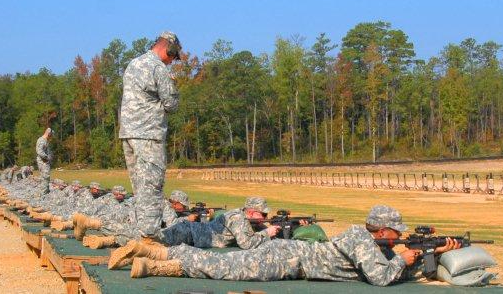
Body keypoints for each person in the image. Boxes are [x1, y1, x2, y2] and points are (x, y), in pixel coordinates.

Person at [115, 205, 462, 286]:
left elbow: (385, 266)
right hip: (288, 259)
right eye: (394, 233)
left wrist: (425, 254)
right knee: (223, 267)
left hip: (289, 256)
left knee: (221, 263)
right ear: (383, 229)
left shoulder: (373, 243)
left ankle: (154, 258)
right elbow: (379, 277)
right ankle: (157, 253)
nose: (396, 238)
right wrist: (406, 257)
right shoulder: (360, 238)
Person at [119, 31, 181, 241]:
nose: (172, 62)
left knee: (140, 190)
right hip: (149, 135)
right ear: (169, 49)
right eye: (173, 56)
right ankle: (149, 240)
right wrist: (173, 85)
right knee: (152, 189)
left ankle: (139, 236)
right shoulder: (158, 68)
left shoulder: (133, 64)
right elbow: (171, 105)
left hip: (128, 134)